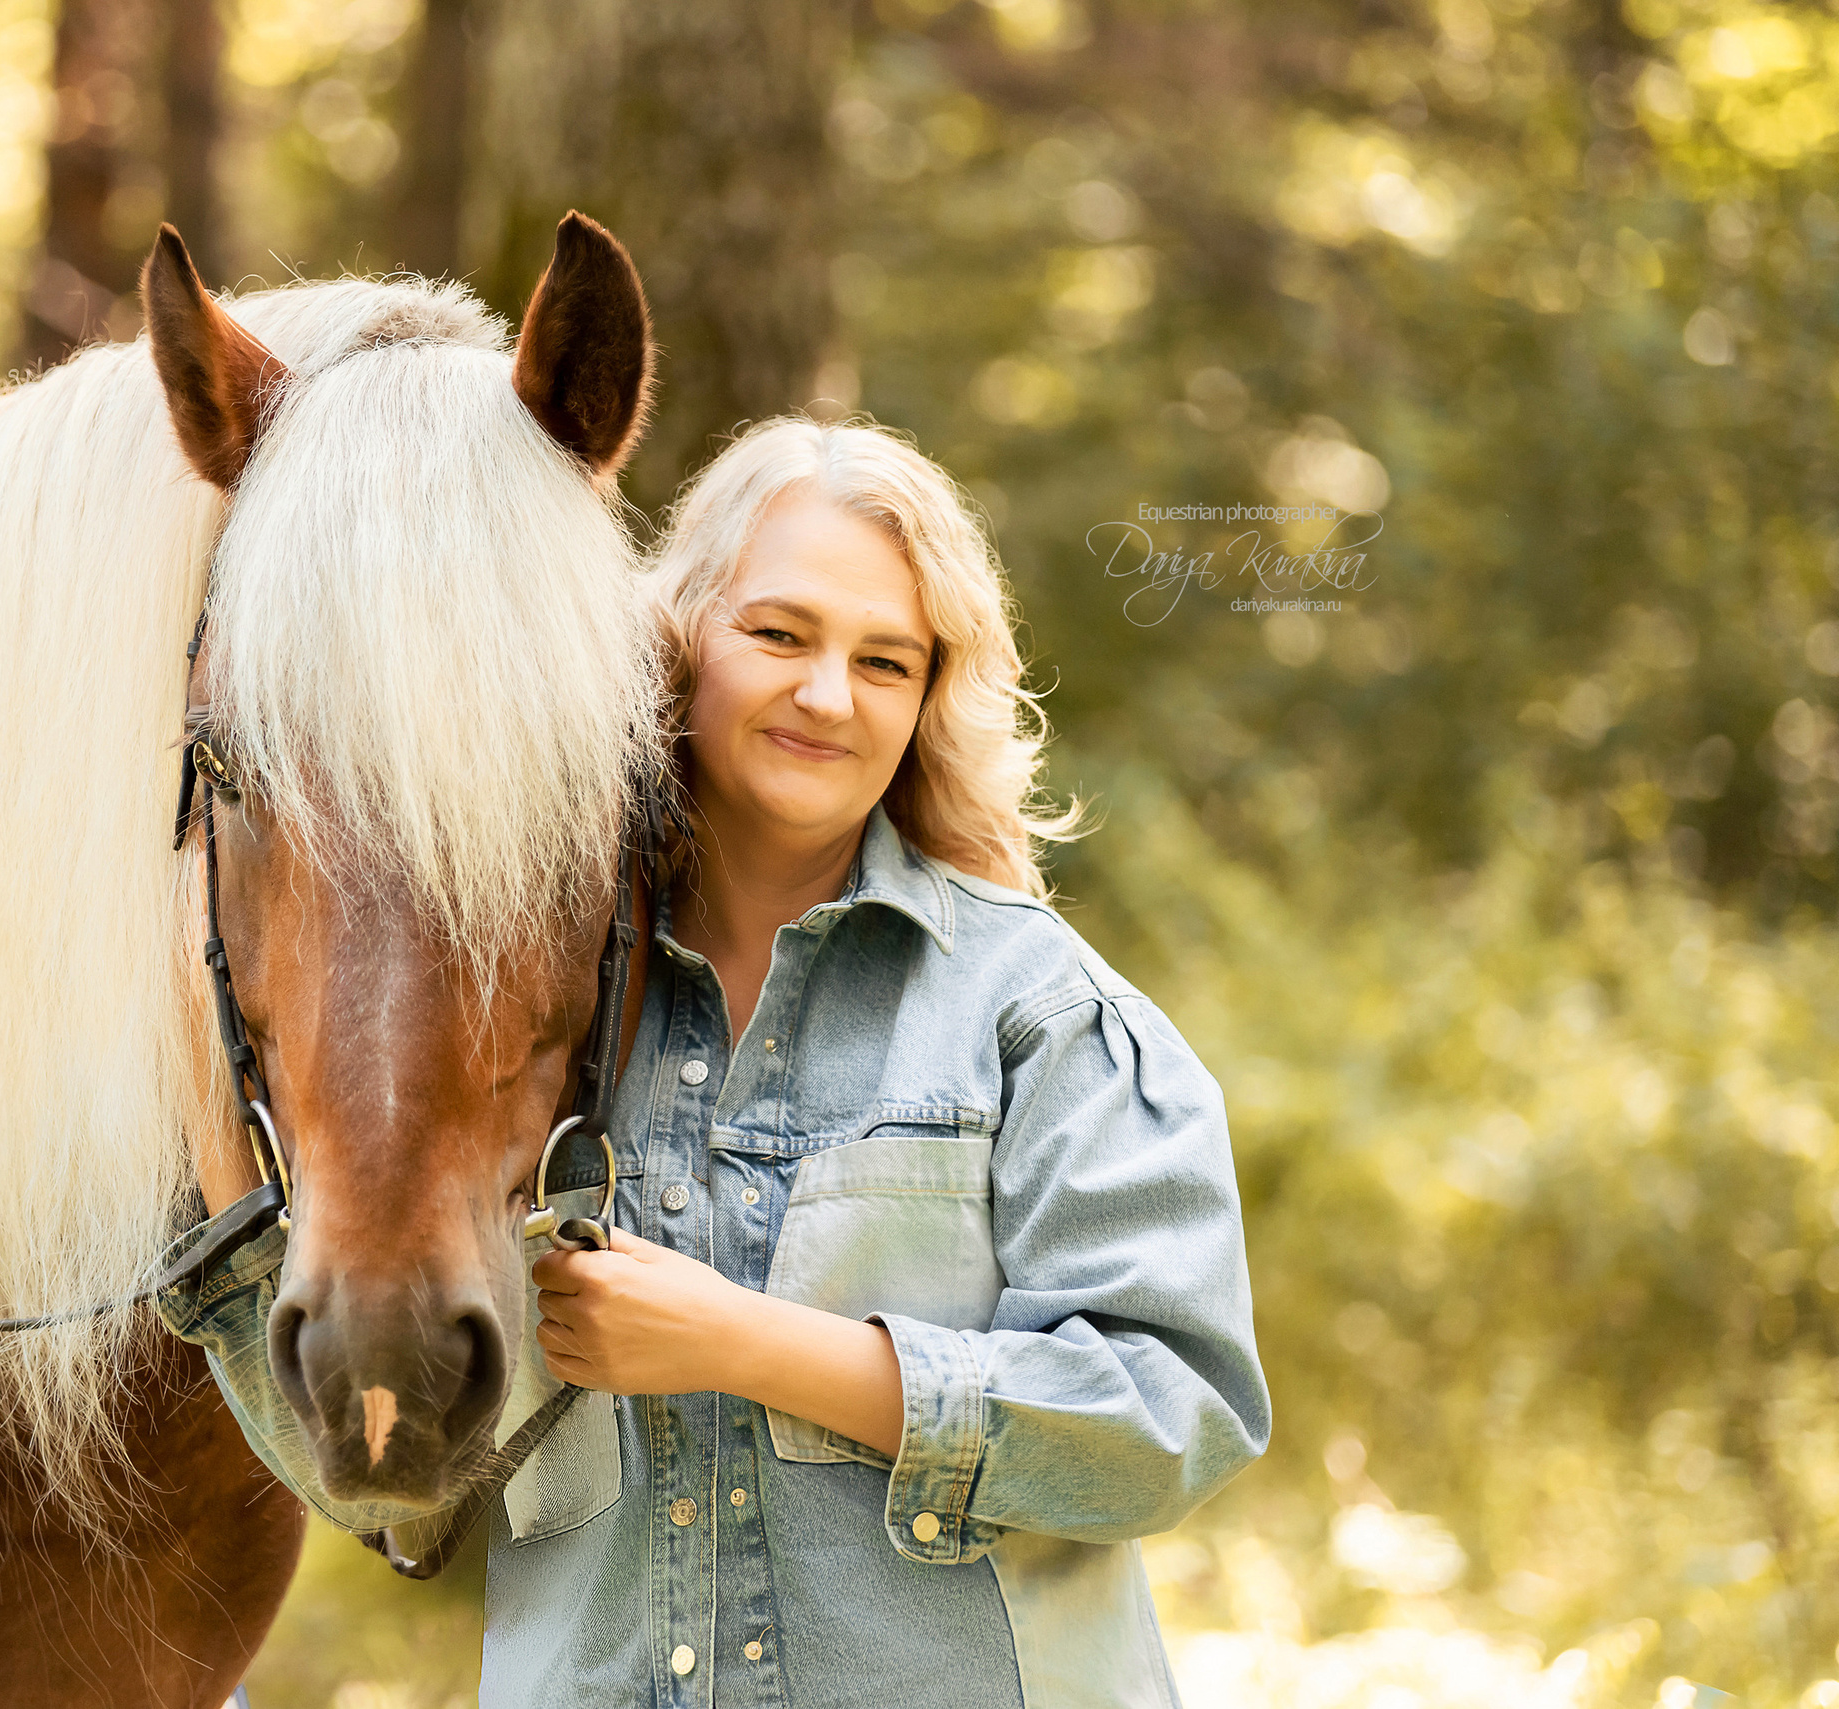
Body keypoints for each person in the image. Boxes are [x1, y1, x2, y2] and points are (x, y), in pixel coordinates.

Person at [163, 416, 1271, 1708]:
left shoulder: (1032, 1011)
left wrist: (742, 1343)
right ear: (677, 638)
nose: (827, 695)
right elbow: (386, 1455)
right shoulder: (531, 1024)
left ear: (926, 698)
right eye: (780, 634)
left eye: (886, 660)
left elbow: (1166, 1419)